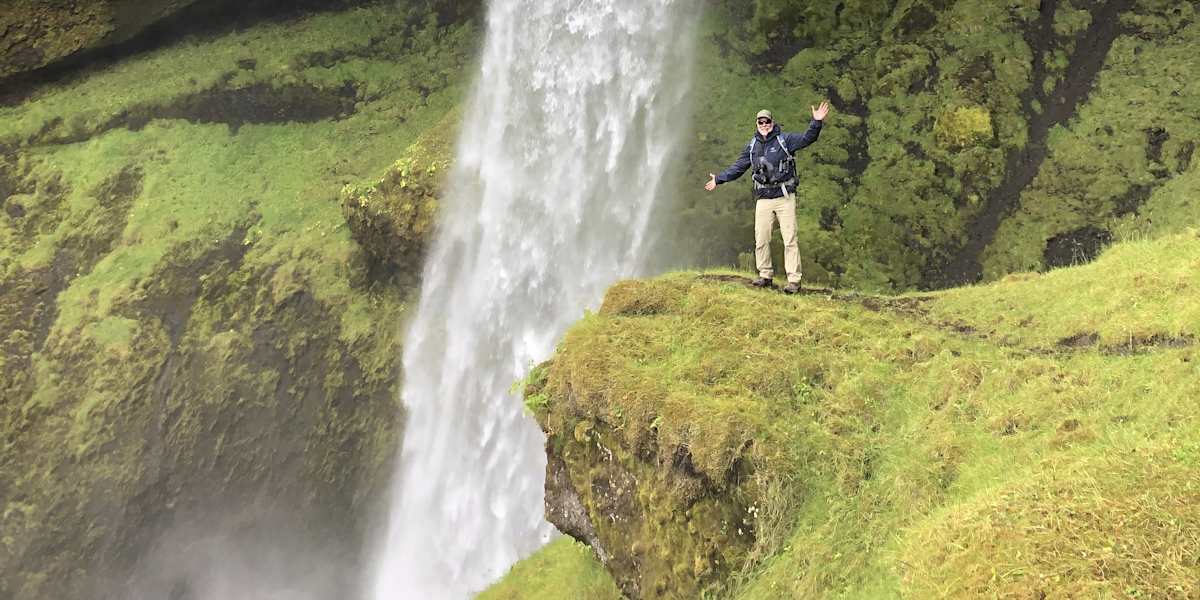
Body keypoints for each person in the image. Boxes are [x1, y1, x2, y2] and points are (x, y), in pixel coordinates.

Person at [705, 101, 831, 294]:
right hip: (763, 198)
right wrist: (719, 179)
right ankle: (765, 275)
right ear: (757, 124)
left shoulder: (785, 140)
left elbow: (807, 139)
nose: (764, 124)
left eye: (767, 121)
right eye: (761, 122)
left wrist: (816, 122)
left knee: (790, 239)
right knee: (761, 238)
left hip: (784, 196)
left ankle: (794, 281)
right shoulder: (752, 146)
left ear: (772, 122)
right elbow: (739, 167)